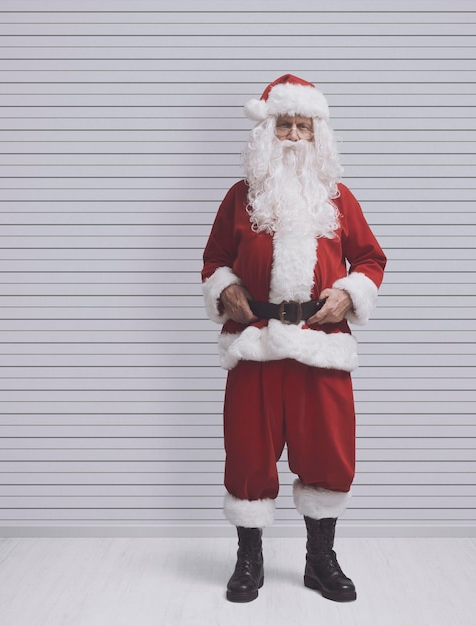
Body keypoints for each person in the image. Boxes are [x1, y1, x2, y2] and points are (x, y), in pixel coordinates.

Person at [201, 74, 387, 603]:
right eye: (284, 125)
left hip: (320, 343)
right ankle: (248, 558)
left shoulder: (339, 198)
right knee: (248, 452)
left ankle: (320, 560)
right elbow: (213, 260)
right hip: (255, 342)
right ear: (267, 132)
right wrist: (226, 289)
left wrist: (351, 295)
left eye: (303, 127)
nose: (293, 136)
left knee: (328, 451)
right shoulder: (240, 198)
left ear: (317, 134)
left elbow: (371, 259)